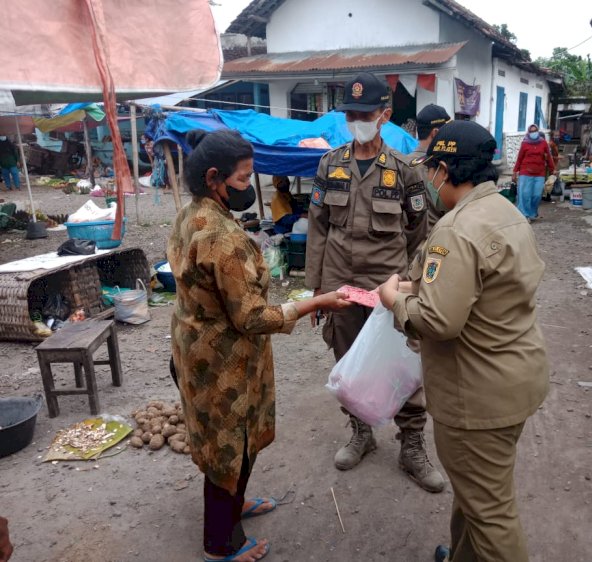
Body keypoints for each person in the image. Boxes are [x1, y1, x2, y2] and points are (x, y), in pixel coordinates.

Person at [168, 129, 350, 562]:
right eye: (243, 178)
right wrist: (313, 303)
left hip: (197, 346)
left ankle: (235, 502)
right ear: (214, 177)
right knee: (228, 445)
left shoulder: (191, 213)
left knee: (232, 439)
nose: (250, 186)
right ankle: (220, 544)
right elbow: (250, 317)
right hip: (223, 358)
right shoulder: (223, 239)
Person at [378, 120, 549, 562]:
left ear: (444, 170)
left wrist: (394, 300)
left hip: (476, 393)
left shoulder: (458, 229)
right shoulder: (506, 213)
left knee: (491, 511)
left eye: (431, 169)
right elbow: (485, 293)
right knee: (478, 489)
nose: (428, 179)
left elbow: (438, 321)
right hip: (513, 378)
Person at [306, 72, 445, 493]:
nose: (357, 120)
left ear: (384, 115)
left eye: (365, 114)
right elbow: (318, 227)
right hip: (341, 285)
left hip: (389, 287)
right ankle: (360, 433)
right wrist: (317, 289)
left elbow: (421, 234)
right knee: (349, 363)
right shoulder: (330, 165)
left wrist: (411, 286)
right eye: (350, 113)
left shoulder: (406, 171)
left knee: (402, 365)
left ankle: (413, 444)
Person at [407, 104, 452, 229]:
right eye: (447, 131)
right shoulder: (441, 168)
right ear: (435, 133)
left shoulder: (401, 163)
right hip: (437, 241)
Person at [513, 123, 556, 221]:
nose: (533, 133)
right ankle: (525, 215)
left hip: (539, 172)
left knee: (537, 195)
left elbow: (549, 157)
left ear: (538, 131)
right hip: (525, 172)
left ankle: (532, 213)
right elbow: (519, 158)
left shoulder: (543, 143)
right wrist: (515, 171)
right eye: (531, 131)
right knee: (525, 194)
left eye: (535, 131)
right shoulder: (524, 143)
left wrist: (552, 169)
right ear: (528, 132)